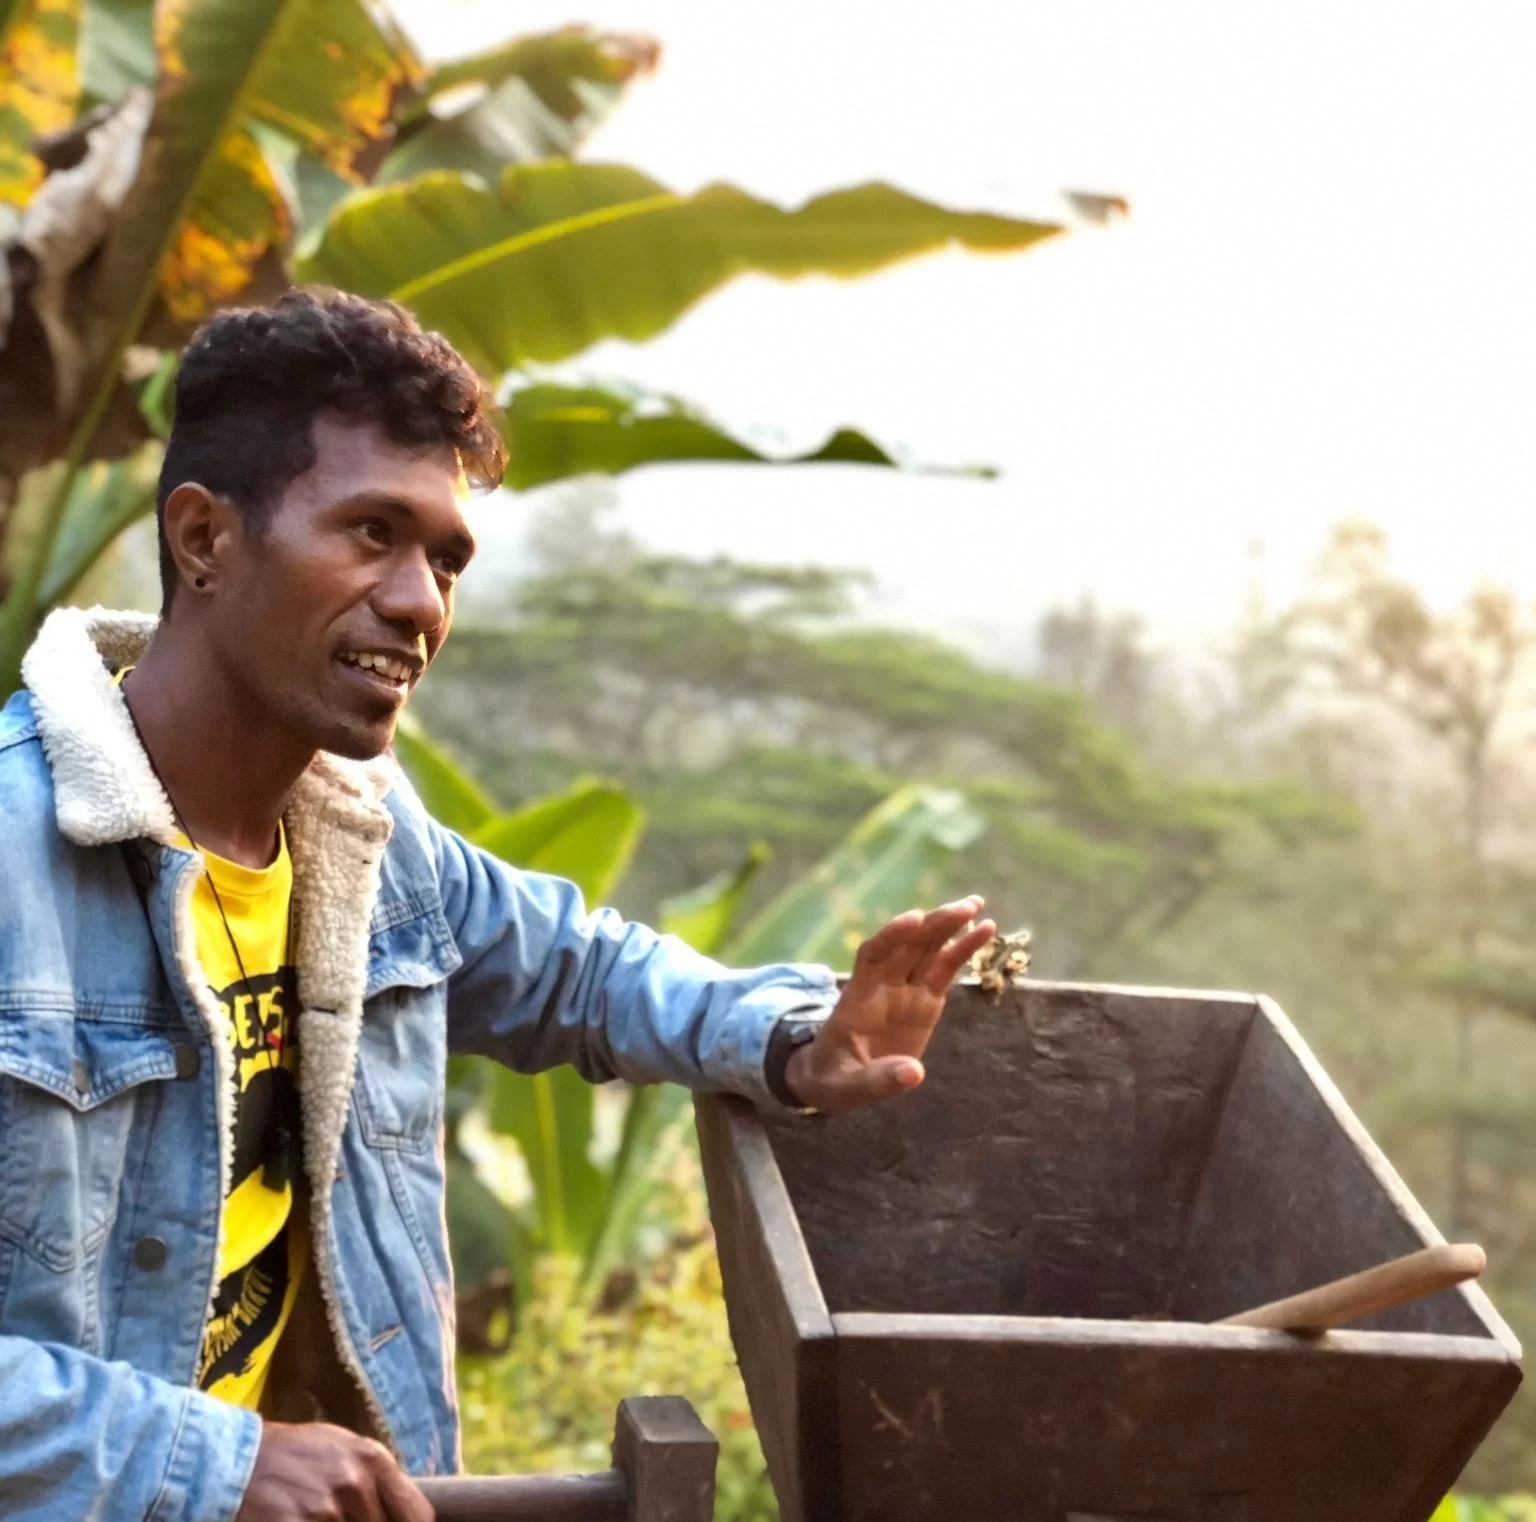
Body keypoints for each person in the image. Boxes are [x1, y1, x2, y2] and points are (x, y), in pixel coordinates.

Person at [0, 288, 995, 1522]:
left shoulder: (363, 836)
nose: (422, 604)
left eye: (448, 559)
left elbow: (581, 968)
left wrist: (797, 1038)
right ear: (204, 538)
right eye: (372, 533)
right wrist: (209, 1459)